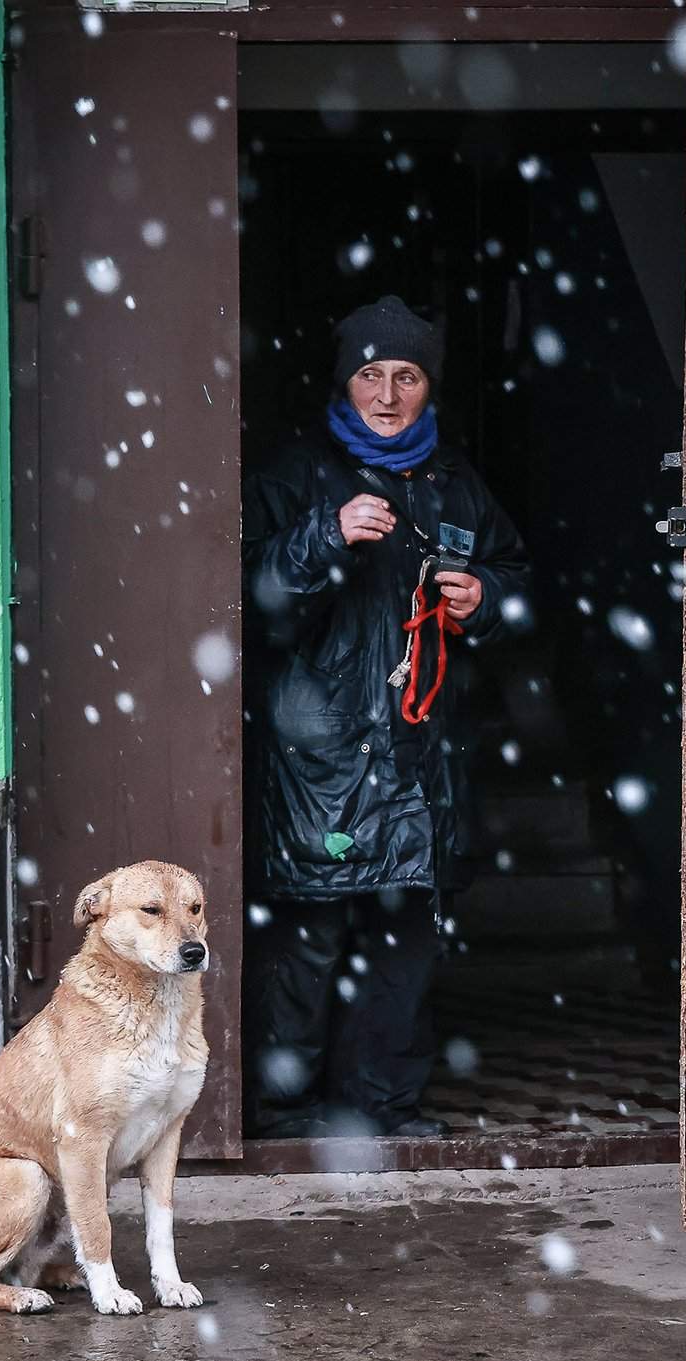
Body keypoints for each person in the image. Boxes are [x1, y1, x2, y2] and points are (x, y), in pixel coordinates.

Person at [242, 295, 533, 1139]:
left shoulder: (455, 482)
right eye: (371, 373)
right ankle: (285, 1114)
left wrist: (488, 599)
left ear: (427, 385)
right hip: (318, 762)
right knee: (307, 942)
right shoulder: (296, 474)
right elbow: (249, 593)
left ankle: (381, 1109)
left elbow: (518, 583)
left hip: (417, 757)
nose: (387, 391)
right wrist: (321, 536)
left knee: (405, 945)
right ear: (346, 381)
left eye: (406, 374)